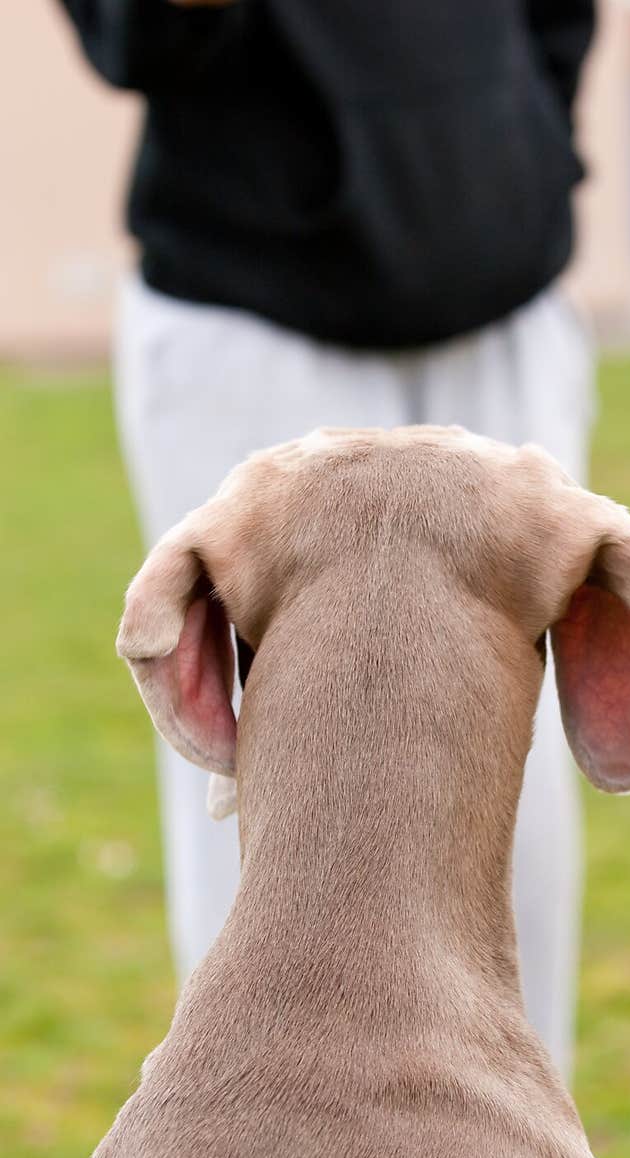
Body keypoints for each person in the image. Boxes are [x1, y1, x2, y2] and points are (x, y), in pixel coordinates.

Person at [56, 0, 597, 1074]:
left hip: (497, 290)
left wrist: (523, 159)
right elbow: (138, 35)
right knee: (252, 777)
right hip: (246, 310)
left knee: (520, 781)